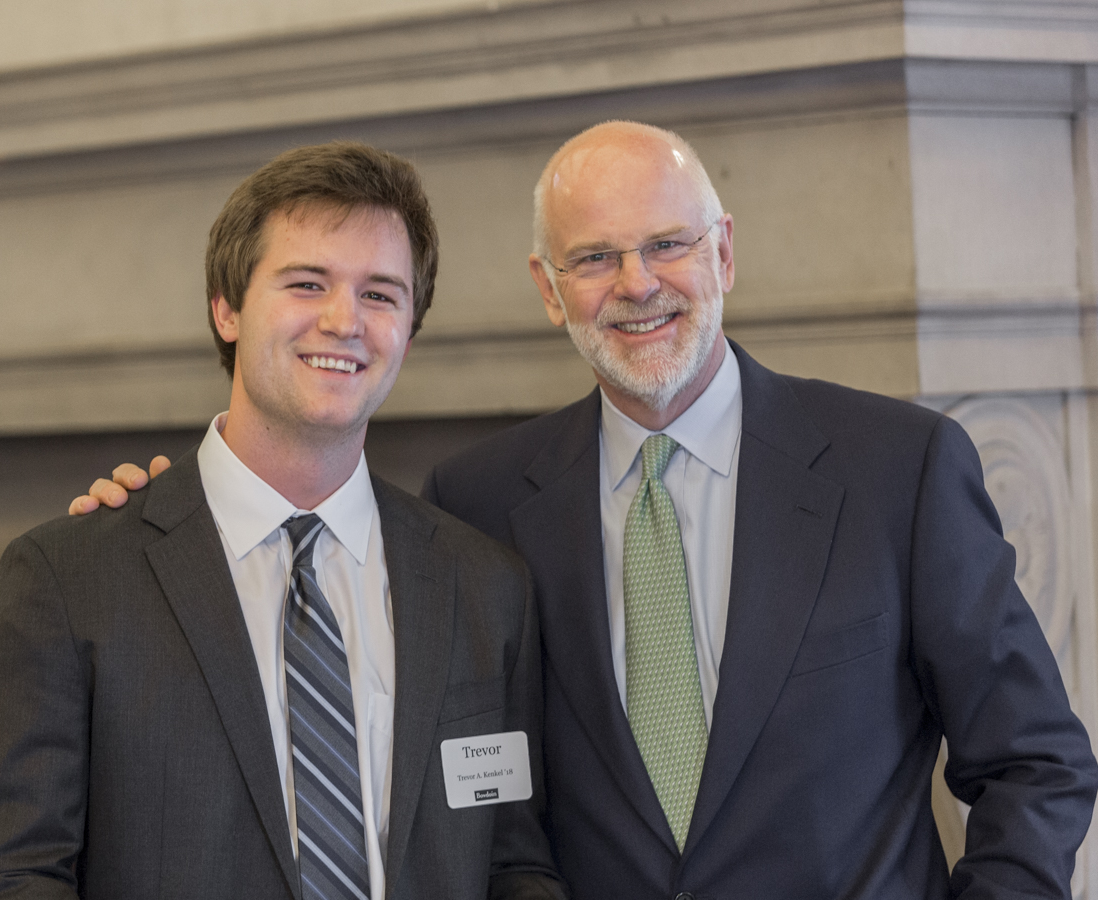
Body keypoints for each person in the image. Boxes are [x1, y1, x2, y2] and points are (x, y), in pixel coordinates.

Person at [74, 122, 1098, 898]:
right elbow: (464, 803)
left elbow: (1036, 765)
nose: (637, 284)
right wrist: (169, 534)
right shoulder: (474, 508)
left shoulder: (898, 469)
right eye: (594, 258)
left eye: (667, 244)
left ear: (724, 255)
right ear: (549, 289)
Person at [0, 142, 565, 900]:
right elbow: (12, 879)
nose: (346, 321)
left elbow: (511, 861)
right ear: (227, 307)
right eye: (307, 283)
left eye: (382, 294)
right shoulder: (68, 578)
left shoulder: (486, 586)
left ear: (410, 327)